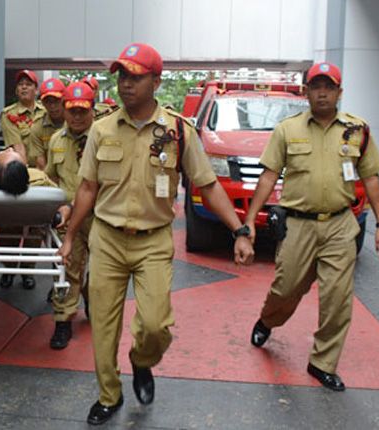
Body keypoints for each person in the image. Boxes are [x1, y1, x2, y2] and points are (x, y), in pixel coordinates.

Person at [59, 43, 255, 425]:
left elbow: (208, 185)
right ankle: (109, 394)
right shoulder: (101, 129)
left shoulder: (179, 131)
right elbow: (86, 189)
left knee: (154, 325)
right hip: (108, 239)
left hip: (153, 241)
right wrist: (69, 237)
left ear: (156, 81)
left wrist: (239, 231)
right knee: (103, 324)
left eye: (135, 77)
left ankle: (142, 360)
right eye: (122, 76)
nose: (126, 84)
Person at [244, 62, 379, 392]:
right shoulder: (287, 129)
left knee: (338, 298)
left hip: (340, 224)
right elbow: (268, 176)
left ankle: (322, 362)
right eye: (316, 86)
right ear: (306, 91)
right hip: (299, 225)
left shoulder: (358, 131)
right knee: (287, 288)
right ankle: (268, 320)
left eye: (329, 86)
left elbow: (370, 177)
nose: (322, 92)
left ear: (339, 92)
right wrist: (249, 222)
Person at [43, 81, 96, 350]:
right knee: (66, 268)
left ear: (92, 111)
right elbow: (51, 177)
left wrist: (73, 206)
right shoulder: (56, 141)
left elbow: (100, 183)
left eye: (82, 111)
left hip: (99, 217)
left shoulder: (103, 139)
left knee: (97, 273)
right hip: (66, 218)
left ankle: (92, 302)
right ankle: (62, 322)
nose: (76, 116)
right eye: (71, 110)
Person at [0, 70, 46, 289]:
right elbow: (17, 147)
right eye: (20, 85)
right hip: (18, 174)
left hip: (43, 174)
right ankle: (9, 268)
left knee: (36, 227)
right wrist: (27, 178)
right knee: (10, 223)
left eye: (29, 84)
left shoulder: (47, 112)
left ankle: (27, 269)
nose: (24, 87)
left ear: (36, 89)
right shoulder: (8, 114)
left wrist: (43, 177)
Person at [25, 77, 66, 169]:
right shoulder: (37, 127)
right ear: (42, 102)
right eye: (47, 101)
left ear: (64, 99)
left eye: (56, 100)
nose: (52, 106)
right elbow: (40, 162)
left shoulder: (75, 122)